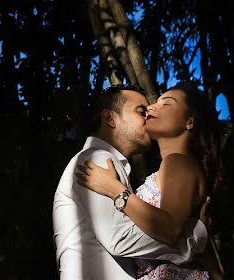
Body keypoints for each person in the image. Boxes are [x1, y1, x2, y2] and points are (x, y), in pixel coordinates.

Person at [53, 85, 209, 279]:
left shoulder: (174, 163)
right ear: (110, 119)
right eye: (141, 111)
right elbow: (120, 237)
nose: (149, 113)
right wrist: (191, 240)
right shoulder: (96, 160)